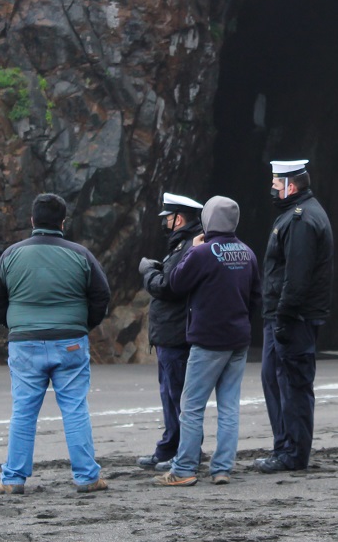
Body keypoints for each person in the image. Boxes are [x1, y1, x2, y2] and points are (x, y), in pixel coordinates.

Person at [0, 193, 112, 494]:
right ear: (63, 222)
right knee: (75, 408)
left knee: (24, 411)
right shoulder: (81, 254)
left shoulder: (11, 255)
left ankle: (12, 479)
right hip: (70, 342)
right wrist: (83, 325)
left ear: (32, 220)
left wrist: (15, 325)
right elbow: (101, 295)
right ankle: (87, 477)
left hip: (25, 343)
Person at [154, 196, 261, 486]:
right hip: (238, 339)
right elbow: (255, 297)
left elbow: (176, 283)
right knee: (229, 406)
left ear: (209, 219)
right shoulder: (248, 253)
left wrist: (192, 249)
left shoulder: (202, 253)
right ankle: (222, 468)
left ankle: (184, 469)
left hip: (208, 341)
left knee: (191, 406)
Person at [255, 159, 333, 474]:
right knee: (274, 380)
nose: (272, 189)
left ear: (290, 186)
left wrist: (285, 317)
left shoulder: (301, 219)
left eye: (276, 184)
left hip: (292, 318)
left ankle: (294, 453)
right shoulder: (295, 215)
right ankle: (284, 446)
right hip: (283, 316)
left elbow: (297, 278)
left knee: (293, 385)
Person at [136, 192, 205, 471]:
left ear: (179, 219)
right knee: (171, 395)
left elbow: (168, 287)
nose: (164, 222)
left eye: (168, 217)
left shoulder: (189, 246)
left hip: (176, 334)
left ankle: (185, 452)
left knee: (178, 397)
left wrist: (148, 272)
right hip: (171, 333)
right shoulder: (184, 244)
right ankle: (169, 448)